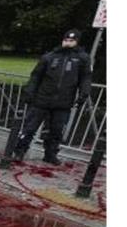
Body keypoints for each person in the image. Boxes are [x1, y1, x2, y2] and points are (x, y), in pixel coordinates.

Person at [12, 30, 92, 165]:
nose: (68, 42)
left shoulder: (82, 59)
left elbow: (85, 78)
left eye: (72, 41)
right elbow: (36, 75)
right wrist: (30, 92)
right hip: (42, 99)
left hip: (63, 102)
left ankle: (50, 154)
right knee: (30, 128)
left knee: (56, 131)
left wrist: (84, 93)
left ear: (77, 41)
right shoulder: (50, 56)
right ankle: (20, 151)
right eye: (66, 40)